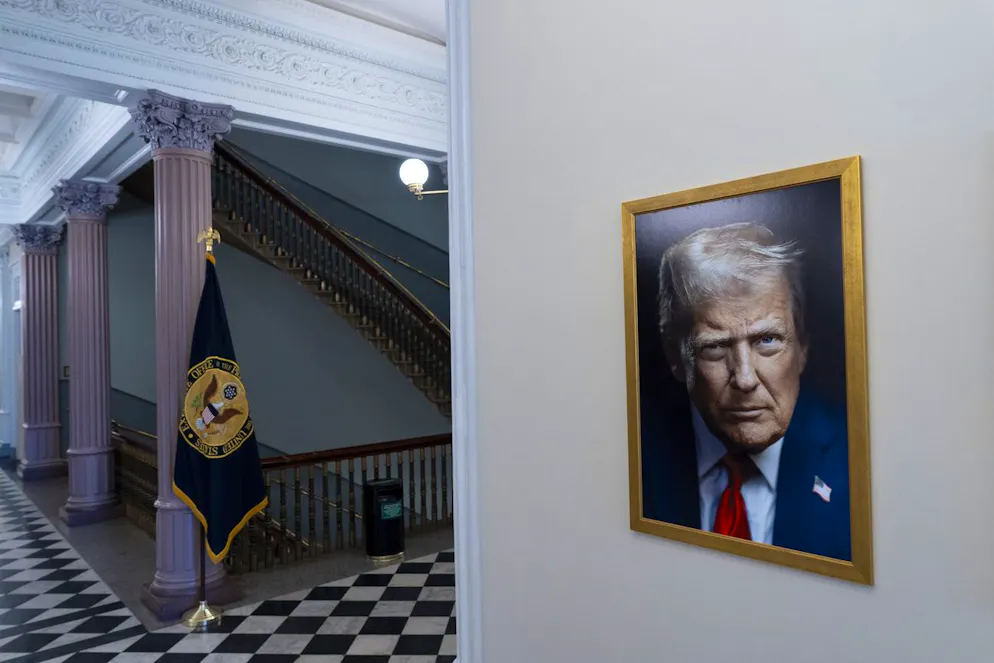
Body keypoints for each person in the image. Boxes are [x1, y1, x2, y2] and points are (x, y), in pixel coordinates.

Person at [640, 222, 851, 560]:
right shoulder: (638, 451)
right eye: (715, 347)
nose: (745, 378)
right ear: (676, 358)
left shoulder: (858, 461)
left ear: (803, 347)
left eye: (767, 340)